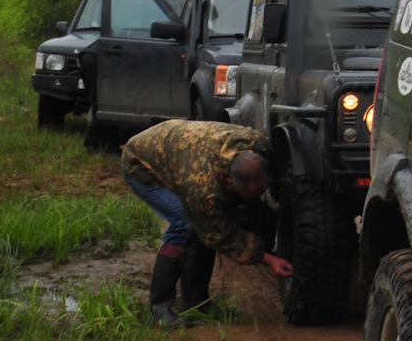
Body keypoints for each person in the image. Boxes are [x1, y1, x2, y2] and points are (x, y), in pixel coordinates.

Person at [121, 119, 292, 327]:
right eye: (252, 194)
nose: (257, 197)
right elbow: (215, 233)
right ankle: (158, 311)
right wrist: (268, 259)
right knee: (185, 223)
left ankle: (196, 304)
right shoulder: (204, 188)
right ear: (230, 183)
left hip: (179, 143)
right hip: (141, 161)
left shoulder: (257, 144)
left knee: (204, 221)